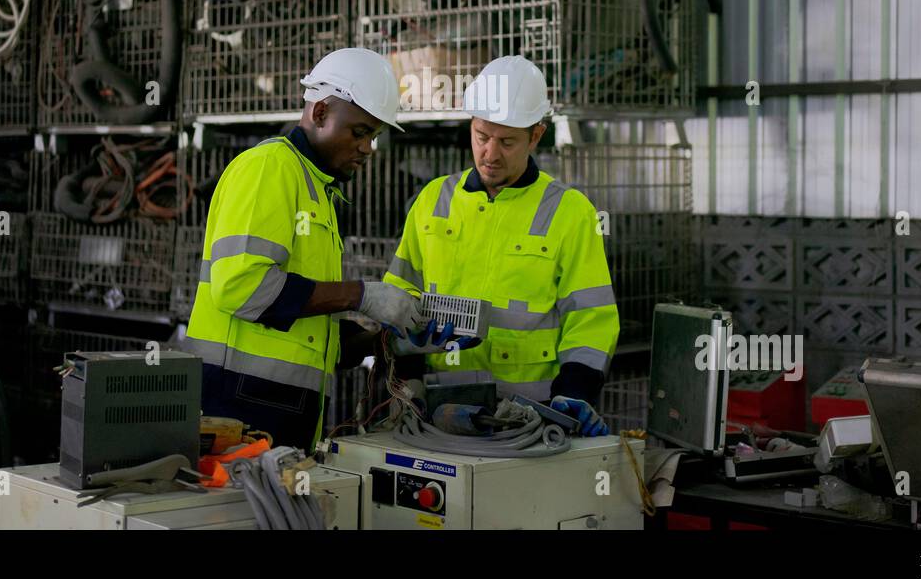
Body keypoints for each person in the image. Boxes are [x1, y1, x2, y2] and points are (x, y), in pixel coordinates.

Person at [183, 48, 423, 449]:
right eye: (360, 132)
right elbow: (243, 287)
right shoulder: (270, 168)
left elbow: (301, 320)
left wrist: (383, 338)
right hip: (233, 409)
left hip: (278, 411)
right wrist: (362, 295)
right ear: (320, 112)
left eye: (374, 136)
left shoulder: (320, 192)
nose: (368, 148)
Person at [384, 55, 620, 436]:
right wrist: (407, 377)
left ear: (536, 135)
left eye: (507, 141)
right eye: (482, 136)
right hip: (440, 410)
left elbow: (591, 318)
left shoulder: (570, 211)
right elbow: (399, 294)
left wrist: (576, 392)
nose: (490, 154)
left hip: (533, 418)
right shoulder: (432, 200)